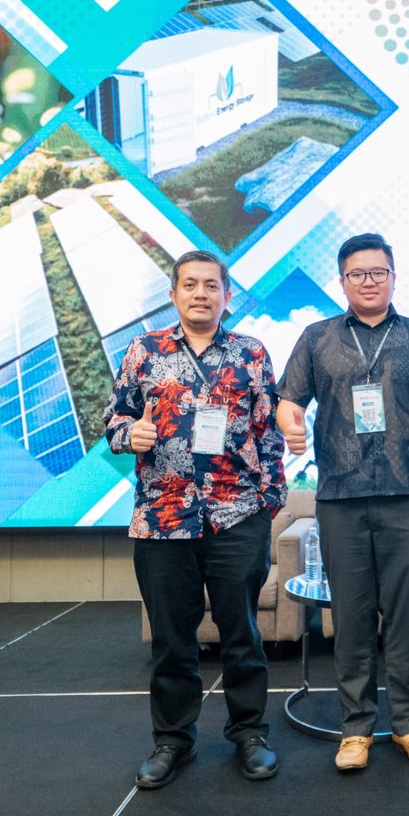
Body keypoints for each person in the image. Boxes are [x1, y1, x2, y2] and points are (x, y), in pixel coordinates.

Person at [276, 233, 409, 772]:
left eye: (378, 272)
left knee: (405, 617)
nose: (369, 281)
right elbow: (289, 399)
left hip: (405, 495)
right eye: (358, 273)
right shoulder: (317, 337)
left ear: (394, 277)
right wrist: (290, 425)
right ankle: (355, 729)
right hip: (340, 498)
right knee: (351, 619)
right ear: (342, 281)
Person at [104, 249, 287, 788]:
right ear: (173, 294)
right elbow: (114, 419)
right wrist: (129, 434)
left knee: (242, 633)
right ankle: (172, 741)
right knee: (171, 638)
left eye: (211, 285)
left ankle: (249, 734)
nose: (201, 294)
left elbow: (268, 432)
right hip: (163, 518)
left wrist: (268, 503)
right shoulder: (143, 351)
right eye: (190, 285)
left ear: (227, 296)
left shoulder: (251, 352)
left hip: (237, 516)